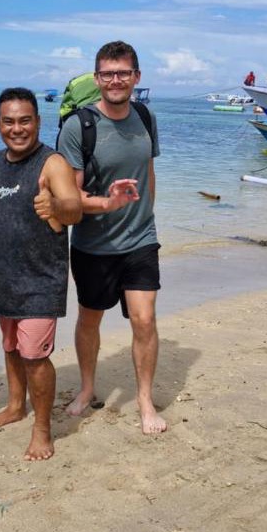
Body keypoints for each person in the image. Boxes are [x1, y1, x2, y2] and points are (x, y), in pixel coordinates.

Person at [57, 40, 167, 435]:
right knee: (90, 320)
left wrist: (145, 215)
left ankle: (144, 399)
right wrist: (109, 202)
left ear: (136, 77)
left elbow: (148, 172)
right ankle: (87, 389)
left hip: (141, 240)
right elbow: (70, 200)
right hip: (93, 245)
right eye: (107, 73)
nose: (115, 80)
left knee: (145, 319)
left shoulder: (145, 117)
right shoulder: (78, 127)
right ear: (97, 77)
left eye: (123, 73)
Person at [0, 88, 82, 460]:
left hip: (40, 278)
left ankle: (42, 428)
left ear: (38, 121)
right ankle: (16, 405)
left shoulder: (52, 164)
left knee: (34, 354)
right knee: (11, 347)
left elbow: (74, 210)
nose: (17, 128)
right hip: (4, 275)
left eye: (24, 120)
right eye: (9, 121)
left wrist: (55, 206)